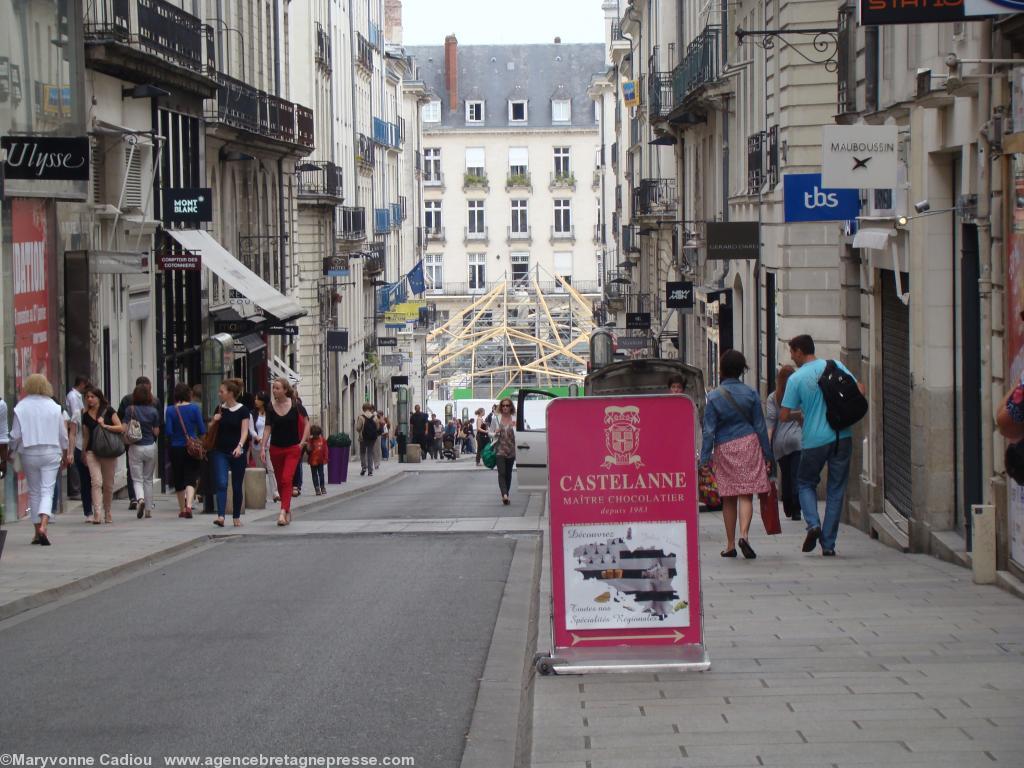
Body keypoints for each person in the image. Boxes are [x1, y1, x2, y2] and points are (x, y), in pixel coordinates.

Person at [779, 334, 864, 557]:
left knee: (805, 482)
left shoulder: (796, 379)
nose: (791, 356)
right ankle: (828, 544)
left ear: (799, 351)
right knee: (836, 490)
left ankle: (813, 524)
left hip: (814, 440)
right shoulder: (835, 365)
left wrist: (801, 415)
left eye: (792, 352)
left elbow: (784, 415)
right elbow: (860, 390)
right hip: (841, 436)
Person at [699, 350, 772, 560]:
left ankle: (730, 544)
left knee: (728, 496)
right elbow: (760, 426)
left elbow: (709, 430)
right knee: (746, 493)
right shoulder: (751, 394)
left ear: (722, 369)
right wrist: (767, 454)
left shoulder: (713, 397)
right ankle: (745, 536)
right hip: (748, 443)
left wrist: (704, 459)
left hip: (725, 447)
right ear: (742, 370)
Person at [9, 374, 68, 545]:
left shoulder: (21, 407)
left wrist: (11, 452)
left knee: (34, 491)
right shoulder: (54, 407)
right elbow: (63, 435)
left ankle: (36, 531)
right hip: (51, 451)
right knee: (47, 490)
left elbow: (15, 435)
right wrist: (65, 452)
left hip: (29, 451)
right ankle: (44, 525)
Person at [262, 377, 308, 526]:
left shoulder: (295, 405)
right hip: (275, 448)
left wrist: (302, 443)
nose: (274, 390)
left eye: (277, 388)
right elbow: (268, 427)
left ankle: (282, 512)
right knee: (281, 482)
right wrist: (263, 447)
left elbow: (307, 423)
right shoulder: (270, 407)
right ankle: (287, 509)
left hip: (292, 448)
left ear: (285, 390)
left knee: (286, 479)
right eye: (273, 388)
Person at [209, 378, 250, 528]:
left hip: (237, 451)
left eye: (222, 391)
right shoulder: (219, 409)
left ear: (231, 393)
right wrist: (214, 420)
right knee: (221, 482)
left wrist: (240, 446)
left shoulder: (243, 410)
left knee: (237, 485)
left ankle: (236, 516)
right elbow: (210, 429)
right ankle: (220, 516)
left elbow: (245, 431)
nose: (219, 394)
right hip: (220, 451)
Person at [82, 386, 124, 525]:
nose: (89, 399)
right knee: (96, 482)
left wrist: (105, 425)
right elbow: (86, 435)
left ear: (99, 398)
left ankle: (108, 511)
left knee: (108, 484)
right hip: (92, 452)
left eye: (92, 396)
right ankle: (97, 513)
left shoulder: (108, 410)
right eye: (87, 397)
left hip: (108, 451)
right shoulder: (85, 414)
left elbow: (121, 427)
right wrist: (83, 451)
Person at [765, 365, 803, 521]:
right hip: (797, 440)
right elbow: (805, 416)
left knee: (786, 475)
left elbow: (770, 425)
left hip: (780, 444)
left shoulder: (773, 397)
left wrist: (767, 449)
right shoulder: (799, 395)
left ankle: (787, 504)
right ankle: (796, 509)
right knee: (796, 475)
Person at [165, 382, 206, 518]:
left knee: (178, 477)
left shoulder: (170, 410)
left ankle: (182, 509)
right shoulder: (195, 409)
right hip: (191, 448)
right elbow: (201, 429)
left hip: (176, 448)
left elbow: (169, 431)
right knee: (191, 477)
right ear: (189, 394)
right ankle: (189, 505)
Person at [125, 382, 161, 519]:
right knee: (148, 479)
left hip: (135, 447)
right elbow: (157, 432)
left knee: (137, 479)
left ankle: (140, 499)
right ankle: (148, 509)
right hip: (150, 446)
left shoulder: (130, 410)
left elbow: (123, 428)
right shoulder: (153, 411)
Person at [118, 376, 152, 511]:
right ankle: (147, 504)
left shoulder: (127, 402)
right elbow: (158, 427)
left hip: (132, 442)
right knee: (147, 476)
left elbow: (121, 420)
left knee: (133, 471)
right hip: (149, 443)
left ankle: (136, 498)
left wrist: (124, 436)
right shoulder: (154, 403)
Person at [249, 391, 279, 503]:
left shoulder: (270, 413)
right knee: (260, 469)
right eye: (255, 399)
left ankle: (275, 493)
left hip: (269, 444)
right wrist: (257, 438)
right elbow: (251, 429)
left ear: (263, 401)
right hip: (257, 445)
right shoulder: (252, 414)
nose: (255, 401)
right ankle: (263, 494)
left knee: (271, 468)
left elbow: (272, 427)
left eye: (258, 399)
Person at [489, 398, 517, 504]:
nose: (505, 407)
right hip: (499, 449)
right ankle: (504, 495)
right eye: (503, 405)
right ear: (501, 407)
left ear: (511, 407)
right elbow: (490, 432)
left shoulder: (515, 418)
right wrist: (495, 433)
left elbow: (522, 429)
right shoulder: (496, 418)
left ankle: (506, 494)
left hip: (511, 449)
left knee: (508, 473)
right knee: (502, 473)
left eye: (507, 405)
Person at [65, 375, 88, 500]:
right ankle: (75, 489)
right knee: (74, 460)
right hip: (75, 427)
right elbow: (76, 413)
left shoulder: (76, 396)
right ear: (81, 384)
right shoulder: (73, 396)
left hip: (77, 428)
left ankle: (78, 488)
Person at [356, 404, 379, 476]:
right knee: (370, 453)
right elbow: (377, 428)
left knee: (362, 453)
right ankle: (370, 470)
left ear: (363, 408)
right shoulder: (375, 417)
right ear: (370, 408)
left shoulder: (361, 417)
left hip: (363, 438)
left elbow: (358, 428)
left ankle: (364, 467)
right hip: (372, 438)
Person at [307, 425, 327, 495]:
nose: (315, 436)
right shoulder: (310, 440)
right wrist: (308, 447)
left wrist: (325, 459)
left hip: (320, 461)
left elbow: (325, 450)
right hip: (312, 461)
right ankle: (317, 488)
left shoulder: (323, 440)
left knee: (321, 474)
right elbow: (308, 451)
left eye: (317, 435)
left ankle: (322, 487)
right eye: (314, 435)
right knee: (314, 475)